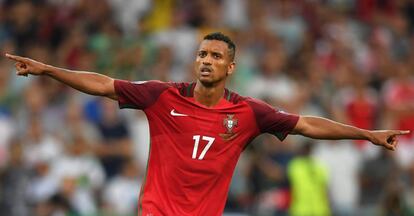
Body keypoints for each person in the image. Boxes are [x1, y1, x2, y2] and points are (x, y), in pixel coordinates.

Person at [5, 32, 409, 216]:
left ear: (230, 67)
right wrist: (48, 70)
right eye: (202, 53)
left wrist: (367, 134)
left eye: (215, 56)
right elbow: (104, 84)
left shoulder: (249, 112)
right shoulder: (163, 95)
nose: (206, 60)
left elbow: (306, 124)